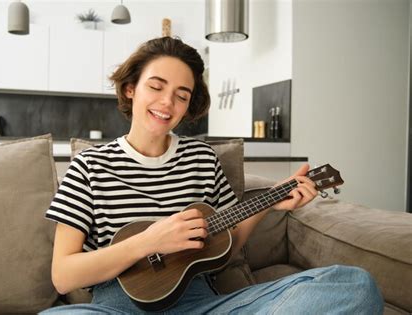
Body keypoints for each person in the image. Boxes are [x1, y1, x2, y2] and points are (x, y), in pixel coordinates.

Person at [41, 37, 383, 314]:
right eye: (156, 86)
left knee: (354, 286)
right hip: (116, 307)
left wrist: (273, 199)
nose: (167, 102)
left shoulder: (202, 158)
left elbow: (227, 243)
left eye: (181, 95)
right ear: (131, 88)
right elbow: (63, 275)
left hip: (203, 304)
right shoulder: (89, 165)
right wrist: (148, 242)